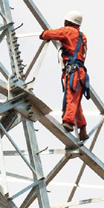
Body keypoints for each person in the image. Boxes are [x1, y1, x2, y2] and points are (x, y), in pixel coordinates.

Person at [40, 10, 90, 141]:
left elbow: (49, 34)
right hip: (80, 72)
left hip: (73, 71)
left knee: (71, 98)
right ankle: (83, 128)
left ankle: (68, 121)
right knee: (76, 101)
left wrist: (43, 34)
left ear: (68, 21)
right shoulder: (82, 36)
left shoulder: (68, 31)